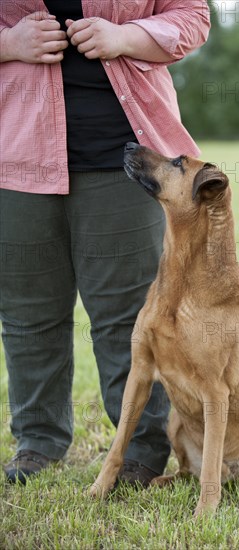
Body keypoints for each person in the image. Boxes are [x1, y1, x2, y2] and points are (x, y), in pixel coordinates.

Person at [0, 1, 210, 485]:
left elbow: (192, 16)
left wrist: (125, 37)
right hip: (15, 153)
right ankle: (37, 441)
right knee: (27, 314)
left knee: (129, 318)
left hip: (128, 159)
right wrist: (10, 43)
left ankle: (140, 449)